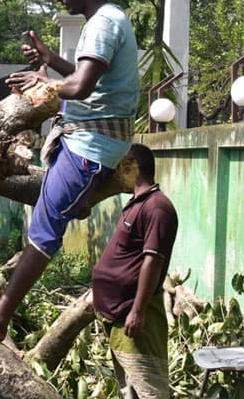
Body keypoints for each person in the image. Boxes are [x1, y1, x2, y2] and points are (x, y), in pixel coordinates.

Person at [0, 0, 140, 340]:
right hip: (88, 141)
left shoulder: (103, 24)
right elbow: (89, 80)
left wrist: (42, 84)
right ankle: (4, 304)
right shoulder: (104, 21)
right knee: (46, 216)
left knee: (45, 225)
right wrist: (52, 63)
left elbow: (81, 88)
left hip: (92, 147)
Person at [92, 143, 178, 399]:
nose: (116, 174)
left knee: (149, 388)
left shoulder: (157, 207)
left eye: (121, 167)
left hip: (133, 313)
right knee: (129, 388)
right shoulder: (138, 203)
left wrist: (138, 311)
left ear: (133, 167)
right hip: (118, 312)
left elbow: (153, 261)